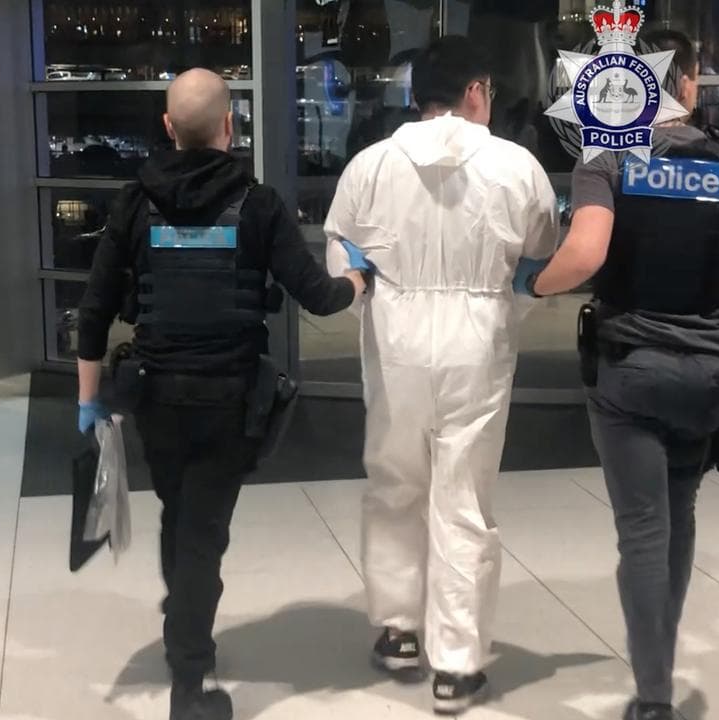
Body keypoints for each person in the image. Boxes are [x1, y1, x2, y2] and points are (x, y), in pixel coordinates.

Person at [517, 30, 719, 720]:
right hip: (706, 375)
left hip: (628, 375)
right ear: (689, 81)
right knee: (678, 522)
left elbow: (585, 254)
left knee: (642, 531)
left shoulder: (607, 160)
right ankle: (662, 669)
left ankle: (653, 696)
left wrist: (534, 284)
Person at [75, 68, 367, 720]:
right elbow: (319, 295)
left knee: (181, 514)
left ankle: (184, 616)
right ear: (230, 128)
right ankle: (190, 683)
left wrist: (88, 406)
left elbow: (93, 313)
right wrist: (362, 283)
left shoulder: (133, 203)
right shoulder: (258, 205)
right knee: (203, 531)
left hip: (155, 400)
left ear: (170, 130)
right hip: (229, 404)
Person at [322, 35, 558, 715]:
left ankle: (398, 628)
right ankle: (455, 665)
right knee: (463, 497)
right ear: (477, 90)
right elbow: (542, 249)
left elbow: (341, 250)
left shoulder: (370, 164)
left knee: (394, 479)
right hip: (478, 336)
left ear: (415, 94)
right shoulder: (516, 166)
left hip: (395, 331)